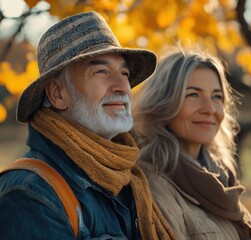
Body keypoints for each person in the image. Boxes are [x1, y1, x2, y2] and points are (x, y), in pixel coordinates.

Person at [0, 11, 175, 240]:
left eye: (124, 72)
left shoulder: (128, 178)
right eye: (101, 71)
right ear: (58, 94)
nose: (122, 86)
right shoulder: (30, 193)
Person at [132, 47, 251, 240]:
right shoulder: (153, 184)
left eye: (217, 97)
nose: (209, 109)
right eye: (193, 94)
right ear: (163, 103)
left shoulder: (221, 176)